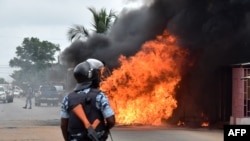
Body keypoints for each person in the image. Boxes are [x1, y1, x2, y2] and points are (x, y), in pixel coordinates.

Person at [60, 58, 116, 141]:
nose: (99, 77)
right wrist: (104, 129)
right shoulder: (100, 96)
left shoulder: (67, 98)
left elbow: (64, 125)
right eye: (97, 74)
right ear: (90, 75)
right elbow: (111, 121)